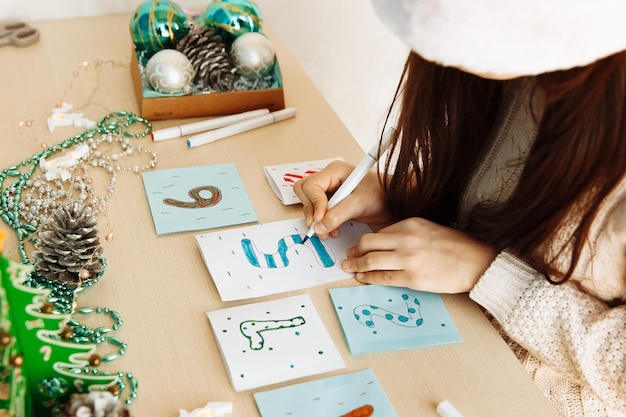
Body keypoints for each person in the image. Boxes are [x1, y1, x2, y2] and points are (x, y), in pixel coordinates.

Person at [293, 1, 626, 416]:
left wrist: (488, 274)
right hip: (445, 339)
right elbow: (499, 191)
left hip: (529, 396)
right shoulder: (504, 64)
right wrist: (400, 194)